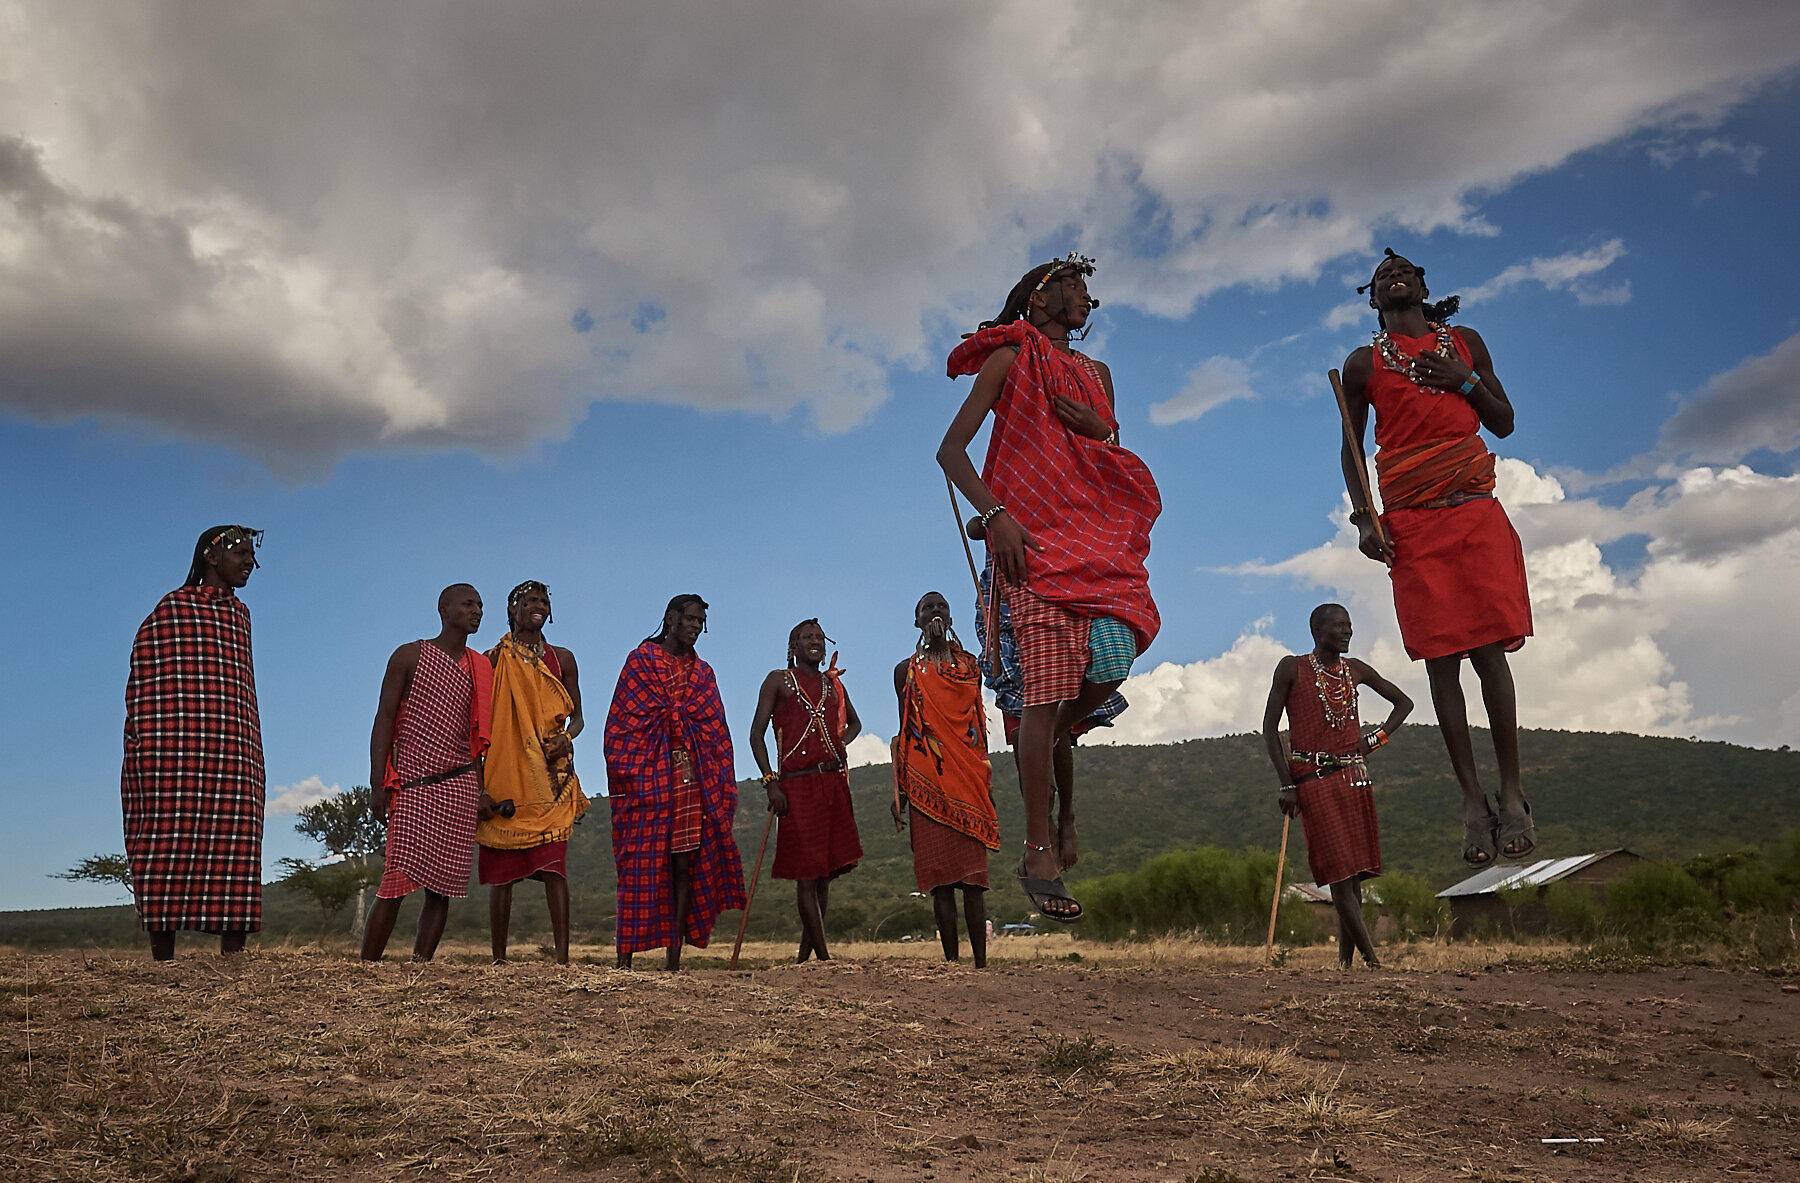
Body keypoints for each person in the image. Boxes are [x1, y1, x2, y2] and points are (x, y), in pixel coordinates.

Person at [938, 253, 1161, 920]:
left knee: (1117, 655)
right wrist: (997, 515)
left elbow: (1108, 453)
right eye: (1073, 285)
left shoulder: (1099, 374)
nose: (1085, 297)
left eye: (1088, 289)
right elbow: (952, 450)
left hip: (1094, 539)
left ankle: (1057, 740)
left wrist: (1106, 429)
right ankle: (1040, 845)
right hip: (1029, 543)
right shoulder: (1011, 356)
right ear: (1037, 300)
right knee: (1044, 694)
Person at [1339, 249, 1535, 865]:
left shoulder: (1465, 343)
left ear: (1425, 287)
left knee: (1489, 653)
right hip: (1411, 524)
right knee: (1442, 662)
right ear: (1374, 300)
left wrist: (1465, 382)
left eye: (1406, 272)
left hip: (1472, 510)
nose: (1394, 274)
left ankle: (1513, 796)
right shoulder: (1362, 363)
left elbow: (1503, 423)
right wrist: (1366, 519)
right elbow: (1350, 450)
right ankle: (1473, 805)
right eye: (1381, 278)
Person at [121, 525, 268, 961]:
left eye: (251, 556)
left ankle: (234, 959)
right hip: (174, 752)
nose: (249, 562)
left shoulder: (241, 616)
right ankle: (163, 961)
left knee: (238, 839)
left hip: (235, 746)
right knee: (165, 839)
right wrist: (149, 739)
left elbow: (240, 685)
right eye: (241, 553)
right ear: (210, 556)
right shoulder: (171, 610)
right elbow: (146, 677)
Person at [1261, 604, 1412, 968]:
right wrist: (1287, 785)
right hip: (1313, 782)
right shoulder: (1291, 668)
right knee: (1340, 876)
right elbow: (1270, 728)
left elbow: (1403, 703)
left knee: (1354, 876)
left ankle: (1346, 968)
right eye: (1338, 626)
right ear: (1317, 630)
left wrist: (1372, 741)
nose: (1347, 632)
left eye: (1349, 625)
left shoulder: (1355, 670)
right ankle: (1374, 964)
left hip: (1354, 778)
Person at [604, 595, 746, 970]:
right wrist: (640, 773)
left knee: (684, 865)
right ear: (670, 618)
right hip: (647, 779)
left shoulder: (704, 674)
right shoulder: (640, 662)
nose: (696, 627)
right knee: (639, 864)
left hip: (690, 779)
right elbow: (622, 726)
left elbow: (716, 733)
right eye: (690, 619)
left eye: (701, 622)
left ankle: (674, 960)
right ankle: (624, 961)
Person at [971, 543, 1127, 873]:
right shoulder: (997, 498)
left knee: (1054, 724)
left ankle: (1066, 814)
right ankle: (1043, 831)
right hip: (1004, 606)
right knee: (1021, 732)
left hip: (1051, 588)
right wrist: (992, 520)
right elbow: (978, 525)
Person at [361, 584, 493, 962]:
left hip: (461, 784)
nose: (477, 611)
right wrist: (377, 782)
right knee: (395, 880)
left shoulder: (480, 666)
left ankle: (420, 969)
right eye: (468, 604)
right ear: (444, 609)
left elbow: (476, 737)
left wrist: (481, 790)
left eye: (480, 605)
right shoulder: (410, 655)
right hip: (414, 784)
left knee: (443, 886)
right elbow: (384, 718)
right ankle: (365, 969)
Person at [479, 581, 588, 965]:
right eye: (530, 601)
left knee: (555, 864)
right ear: (513, 609)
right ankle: (499, 957)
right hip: (504, 773)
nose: (538, 606)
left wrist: (566, 740)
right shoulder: (491, 660)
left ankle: (562, 959)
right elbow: (477, 721)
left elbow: (578, 719)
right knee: (502, 870)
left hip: (550, 776)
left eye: (543, 601)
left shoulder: (563, 659)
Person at [891, 592, 1000, 967]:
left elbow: (976, 728)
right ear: (917, 621)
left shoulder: (970, 668)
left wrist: (986, 784)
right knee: (940, 882)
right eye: (927, 608)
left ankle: (982, 965)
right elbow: (905, 729)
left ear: (951, 618)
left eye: (941, 607)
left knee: (973, 881)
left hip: (968, 777)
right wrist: (901, 788)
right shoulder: (904, 670)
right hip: (926, 782)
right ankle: (952, 963)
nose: (935, 612)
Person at [749, 619, 864, 963]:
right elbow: (756, 736)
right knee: (806, 873)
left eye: (819, 637)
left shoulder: (834, 685)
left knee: (825, 872)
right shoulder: (778, 680)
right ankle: (825, 959)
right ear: (793, 647)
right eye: (807, 637)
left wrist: (834, 743)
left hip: (832, 783)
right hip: (796, 785)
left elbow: (855, 723)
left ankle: (804, 957)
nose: (815, 642)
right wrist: (771, 782)